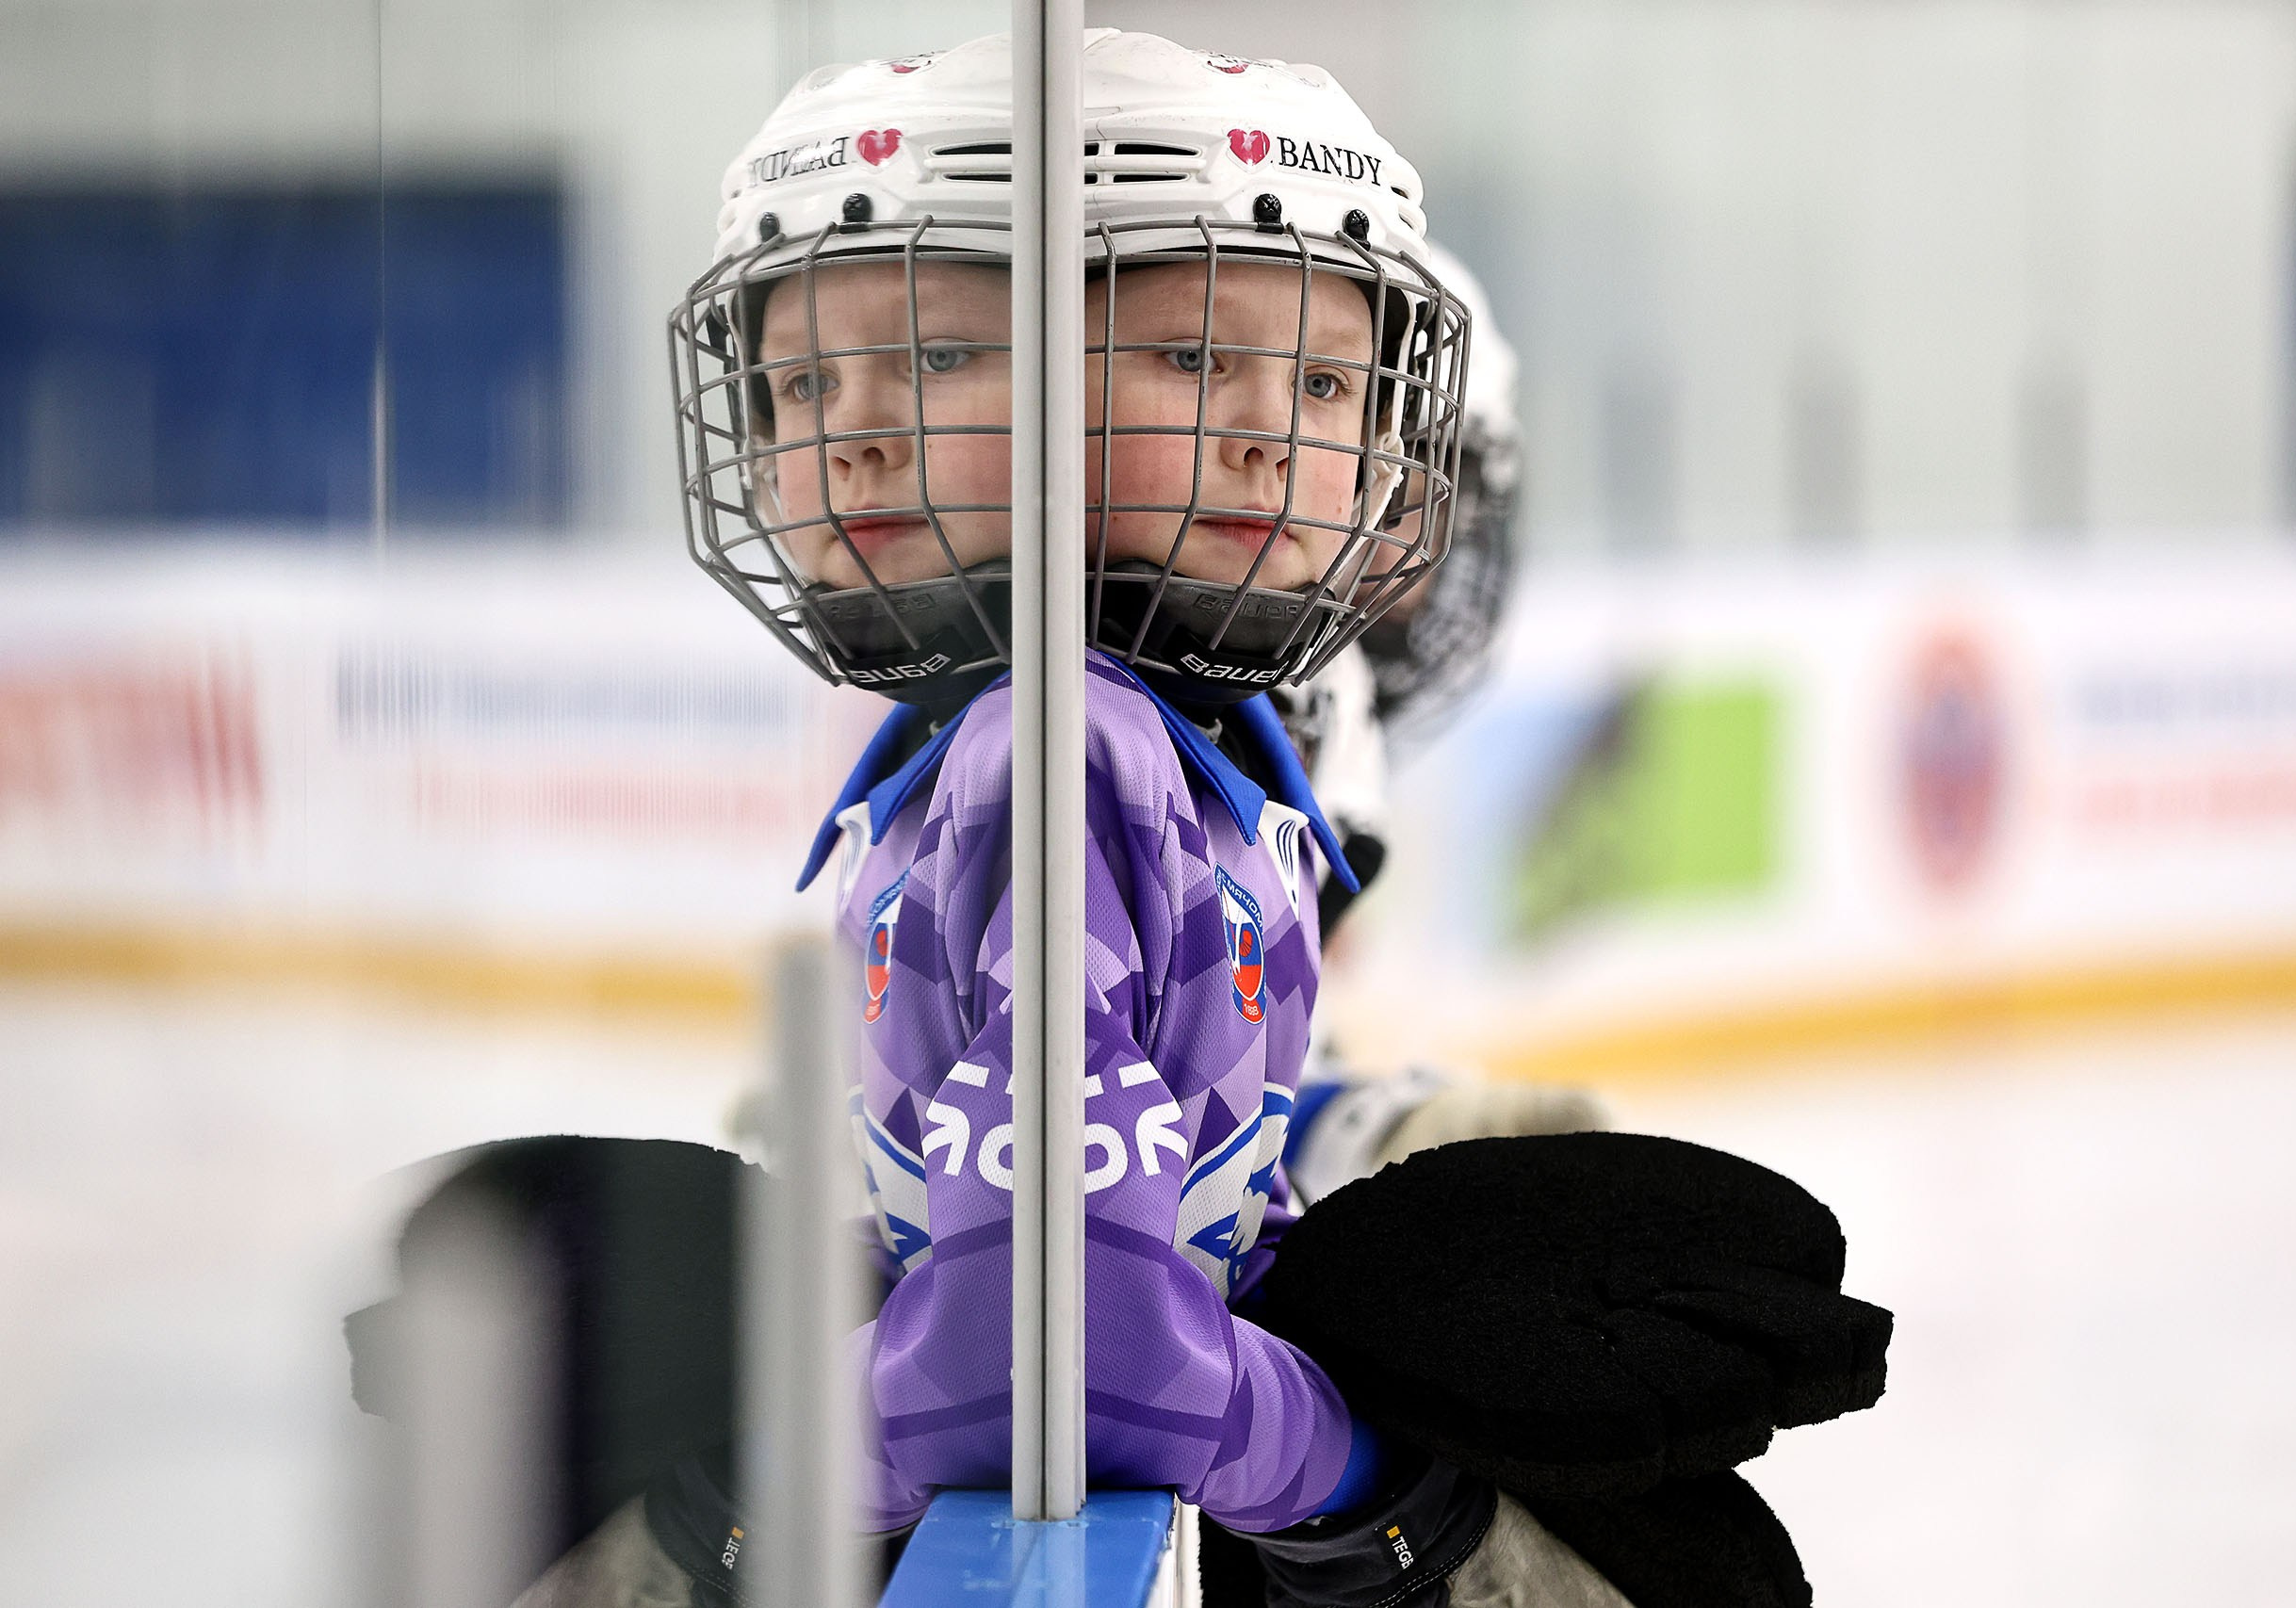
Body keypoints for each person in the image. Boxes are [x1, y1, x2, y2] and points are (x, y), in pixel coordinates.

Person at [665, 26, 1627, 1603]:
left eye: (1329, 385)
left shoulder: (1128, 748)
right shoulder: (1071, 758)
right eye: (1191, 361)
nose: (852, 434)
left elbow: (1148, 1232)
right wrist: (1383, 1494)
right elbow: (1062, 1364)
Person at [1276, 244, 1614, 1210]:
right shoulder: (1263, 714)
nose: (1427, 550)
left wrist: (1380, 1126)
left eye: (1448, 503)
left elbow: (1236, 1091)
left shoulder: (1320, 715)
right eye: (1405, 493)